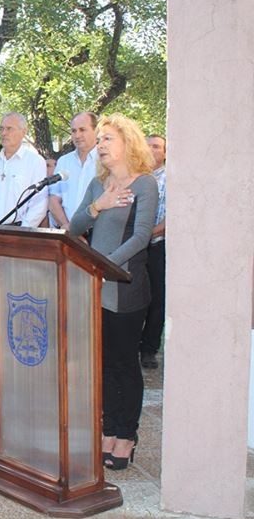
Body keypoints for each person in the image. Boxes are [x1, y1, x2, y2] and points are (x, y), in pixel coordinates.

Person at [68, 113, 158, 471]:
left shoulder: (145, 184)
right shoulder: (98, 184)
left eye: (107, 139)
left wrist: (103, 267)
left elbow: (141, 237)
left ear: (127, 144)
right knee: (102, 365)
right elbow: (75, 227)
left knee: (124, 364)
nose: (100, 145)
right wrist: (97, 206)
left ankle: (126, 435)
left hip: (126, 288)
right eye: (100, 139)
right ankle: (108, 429)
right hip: (95, 287)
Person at [0, 113, 48, 376]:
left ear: (23, 132)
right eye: (1, 128)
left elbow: (39, 203)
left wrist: (23, 236)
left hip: (19, 237)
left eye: (9, 128)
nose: (3, 133)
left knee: (16, 300)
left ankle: (16, 356)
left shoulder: (34, 162)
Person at [139, 135, 167, 369]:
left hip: (157, 245)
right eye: (147, 145)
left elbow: (172, 216)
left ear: (165, 153)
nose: (151, 150)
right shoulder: (135, 176)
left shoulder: (171, 178)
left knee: (157, 299)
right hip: (134, 247)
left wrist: (145, 235)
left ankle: (149, 348)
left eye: (156, 146)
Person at [49, 112, 99, 230]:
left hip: (97, 234)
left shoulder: (105, 161)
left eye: (82, 130)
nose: (77, 135)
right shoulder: (64, 161)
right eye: (73, 131)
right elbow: (53, 199)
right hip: (68, 232)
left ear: (96, 131)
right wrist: (67, 226)